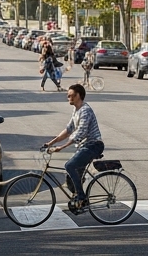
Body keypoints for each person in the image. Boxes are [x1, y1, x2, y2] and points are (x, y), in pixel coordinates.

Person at [43, 84, 102, 214]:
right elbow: (69, 129)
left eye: (70, 95)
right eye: (68, 95)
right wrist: (51, 143)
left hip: (93, 145)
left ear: (78, 96)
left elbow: (80, 132)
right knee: (71, 177)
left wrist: (62, 147)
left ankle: (81, 197)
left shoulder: (85, 110)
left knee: (69, 166)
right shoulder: (76, 110)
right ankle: (80, 202)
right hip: (84, 146)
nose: (68, 97)